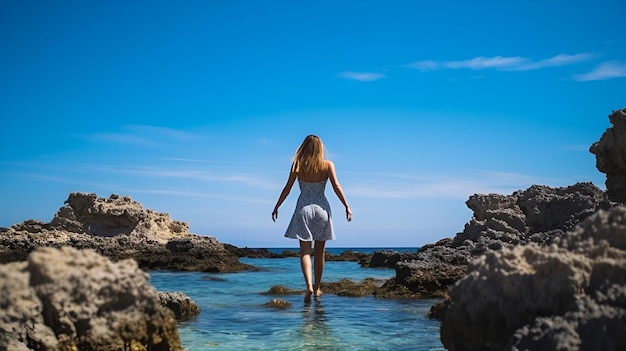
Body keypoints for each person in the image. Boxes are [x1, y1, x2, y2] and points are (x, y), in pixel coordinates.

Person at [272, 135, 352, 302]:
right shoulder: (328, 165)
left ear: (304, 148)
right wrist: (347, 206)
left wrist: (277, 206)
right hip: (322, 209)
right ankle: (317, 289)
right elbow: (336, 186)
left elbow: (287, 188)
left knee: (305, 251)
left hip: (303, 210)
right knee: (320, 251)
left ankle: (308, 285)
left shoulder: (298, 165)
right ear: (320, 148)